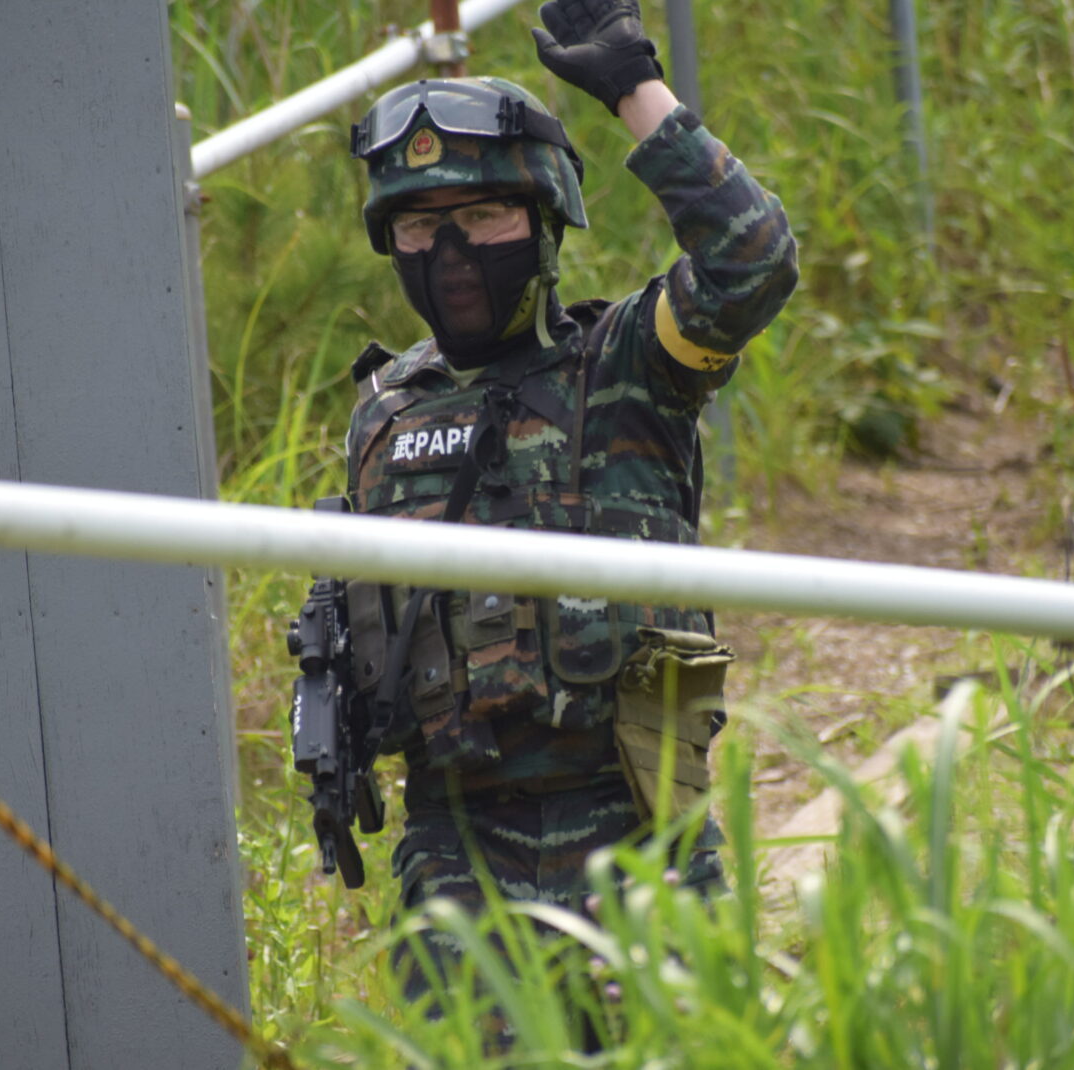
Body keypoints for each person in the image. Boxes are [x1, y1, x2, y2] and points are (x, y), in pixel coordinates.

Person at [334, 0, 796, 1003]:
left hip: (638, 835)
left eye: (482, 218)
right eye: (419, 225)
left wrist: (635, 89)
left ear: (545, 222)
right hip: (456, 854)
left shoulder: (632, 361)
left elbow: (752, 259)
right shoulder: (383, 416)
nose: (450, 252)